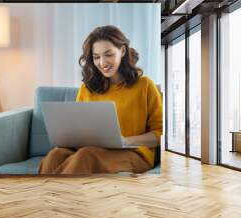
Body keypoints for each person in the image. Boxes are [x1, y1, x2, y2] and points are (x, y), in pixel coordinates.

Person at [38, 25, 163, 174]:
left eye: (108, 54)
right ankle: (47, 196)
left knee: (87, 156)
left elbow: (159, 133)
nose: (102, 63)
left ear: (122, 51)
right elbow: (78, 129)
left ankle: (58, 195)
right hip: (89, 149)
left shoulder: (144, 85)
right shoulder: (87, 88)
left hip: (134, 154)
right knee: (55, 155)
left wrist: (126, 141)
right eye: (96, 57)